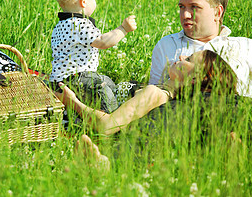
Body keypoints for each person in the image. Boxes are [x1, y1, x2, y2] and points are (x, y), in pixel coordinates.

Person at [56, 49, 239, 170]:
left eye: (189, 59)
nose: (182, 57)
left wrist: (71, 101)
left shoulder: (154, 94)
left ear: (194, 79)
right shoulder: (166, 99)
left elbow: (107, 125)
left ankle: (98, 163)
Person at [149, 0, 252, 98]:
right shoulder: (167, 45)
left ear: (217, 12)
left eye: (194, 7)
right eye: (182, 7)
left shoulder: (248, 48)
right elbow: (151, 97)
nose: (185, 15)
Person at [50, 0, 137, 113]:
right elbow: (102, 42)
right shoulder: (80, 24)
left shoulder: (59, 26)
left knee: (107, 82)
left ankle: (112, 103)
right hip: (79, 78)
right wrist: (123, 29)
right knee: (102, 87)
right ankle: (113, 116)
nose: (95, 1)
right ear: (84, 1)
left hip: (61, 81)